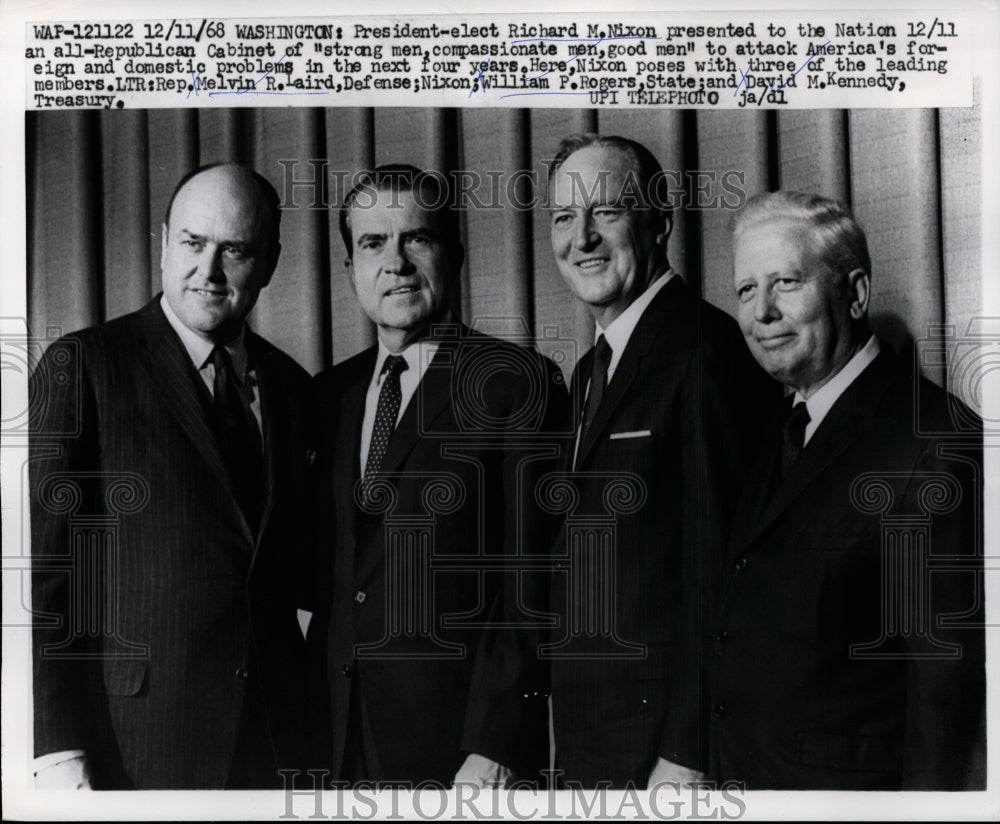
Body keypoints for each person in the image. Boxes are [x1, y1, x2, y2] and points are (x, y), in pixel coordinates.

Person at [31, 163, 319, 789]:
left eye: (235, 251)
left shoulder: (294, 388)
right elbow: (45, 574)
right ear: (163, 242)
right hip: (136, 738)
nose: (208, 271)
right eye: (192, 243)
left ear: (269, 263)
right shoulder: (83, 366)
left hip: (278, 741)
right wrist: (56, 748)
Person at [714, 190, 985, 789]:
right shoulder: (778, 430)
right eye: (746, 290)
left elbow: (947, 693)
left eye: (786, 282)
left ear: (856, 293)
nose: (761, 313)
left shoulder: (934, 439)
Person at [309, 165, 568, 787]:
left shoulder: (516, 383)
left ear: (454, 255)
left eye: (416, 239)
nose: (395, 263)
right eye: (373, 243)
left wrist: (497, 745)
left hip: (461, 754)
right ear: (350, 269)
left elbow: (536, 581)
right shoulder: (326, 396)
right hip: (334, 740)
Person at [544, 134, 777, 788]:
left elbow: (722, 572)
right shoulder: (589, 371)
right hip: (596, 739)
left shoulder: (706, 350)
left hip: (666, 755)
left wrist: (687, 751)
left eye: (606, 212)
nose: (582, 238)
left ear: (659, 225)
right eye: (563, 218)